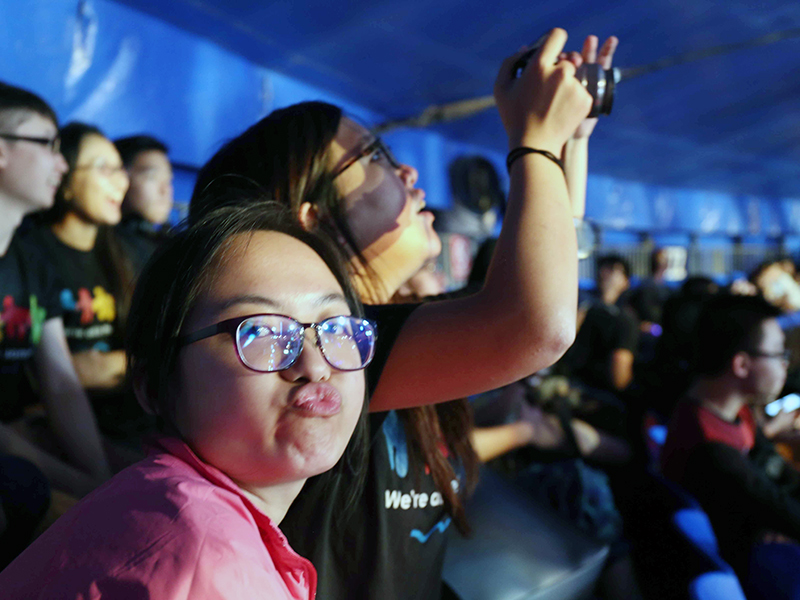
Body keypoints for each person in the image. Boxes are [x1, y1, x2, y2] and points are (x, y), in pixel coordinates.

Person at [190, 29, 615, 600]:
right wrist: (533, 143)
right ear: (309, 216)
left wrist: (571, 139)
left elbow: (553, 274)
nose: (410, 174)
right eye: (376, 158)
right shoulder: (331, 354)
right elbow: (537, 325)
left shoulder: (396, 331)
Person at [0, 202, 373, 599]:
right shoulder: (207, 556)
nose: (315, 365)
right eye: (261, 332)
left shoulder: (164, 506)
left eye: (336, 328)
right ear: (152, 384)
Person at [0, 82, 110, 499]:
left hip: (23, 443)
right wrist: (88, 489)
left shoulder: (32, 264)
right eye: (46, 144)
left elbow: (62, 385)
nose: (61, 165)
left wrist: (100, 478)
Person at [25, 123, 150, 449]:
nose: (120, 181)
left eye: (120, 169)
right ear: (64, 177)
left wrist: (111, 366)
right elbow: (42, 377)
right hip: (49, 425)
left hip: (127, 420)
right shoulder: (29, 251)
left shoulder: (130, 252)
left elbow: (156, 355)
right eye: (103, 169)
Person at [661, 294, 800, 580]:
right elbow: (782, 509)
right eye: (778, 354)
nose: (785, 364)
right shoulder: (711, 449)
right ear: (741, 365)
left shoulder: (723, 410)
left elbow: (776, 475)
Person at [560, 253, 639, 394]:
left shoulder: (624, 319)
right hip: (574, 386)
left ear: (626, 281)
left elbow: (619, 375)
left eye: (614, 270)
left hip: (589, 392)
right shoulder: (581, 307)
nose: (606, 273)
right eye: (605, 268)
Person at [114, 135, 174, 272]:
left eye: (169, 180)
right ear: (120, 178)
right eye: (152, 177)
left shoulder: (171, 245)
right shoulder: (104, 245)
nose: (165, 190)